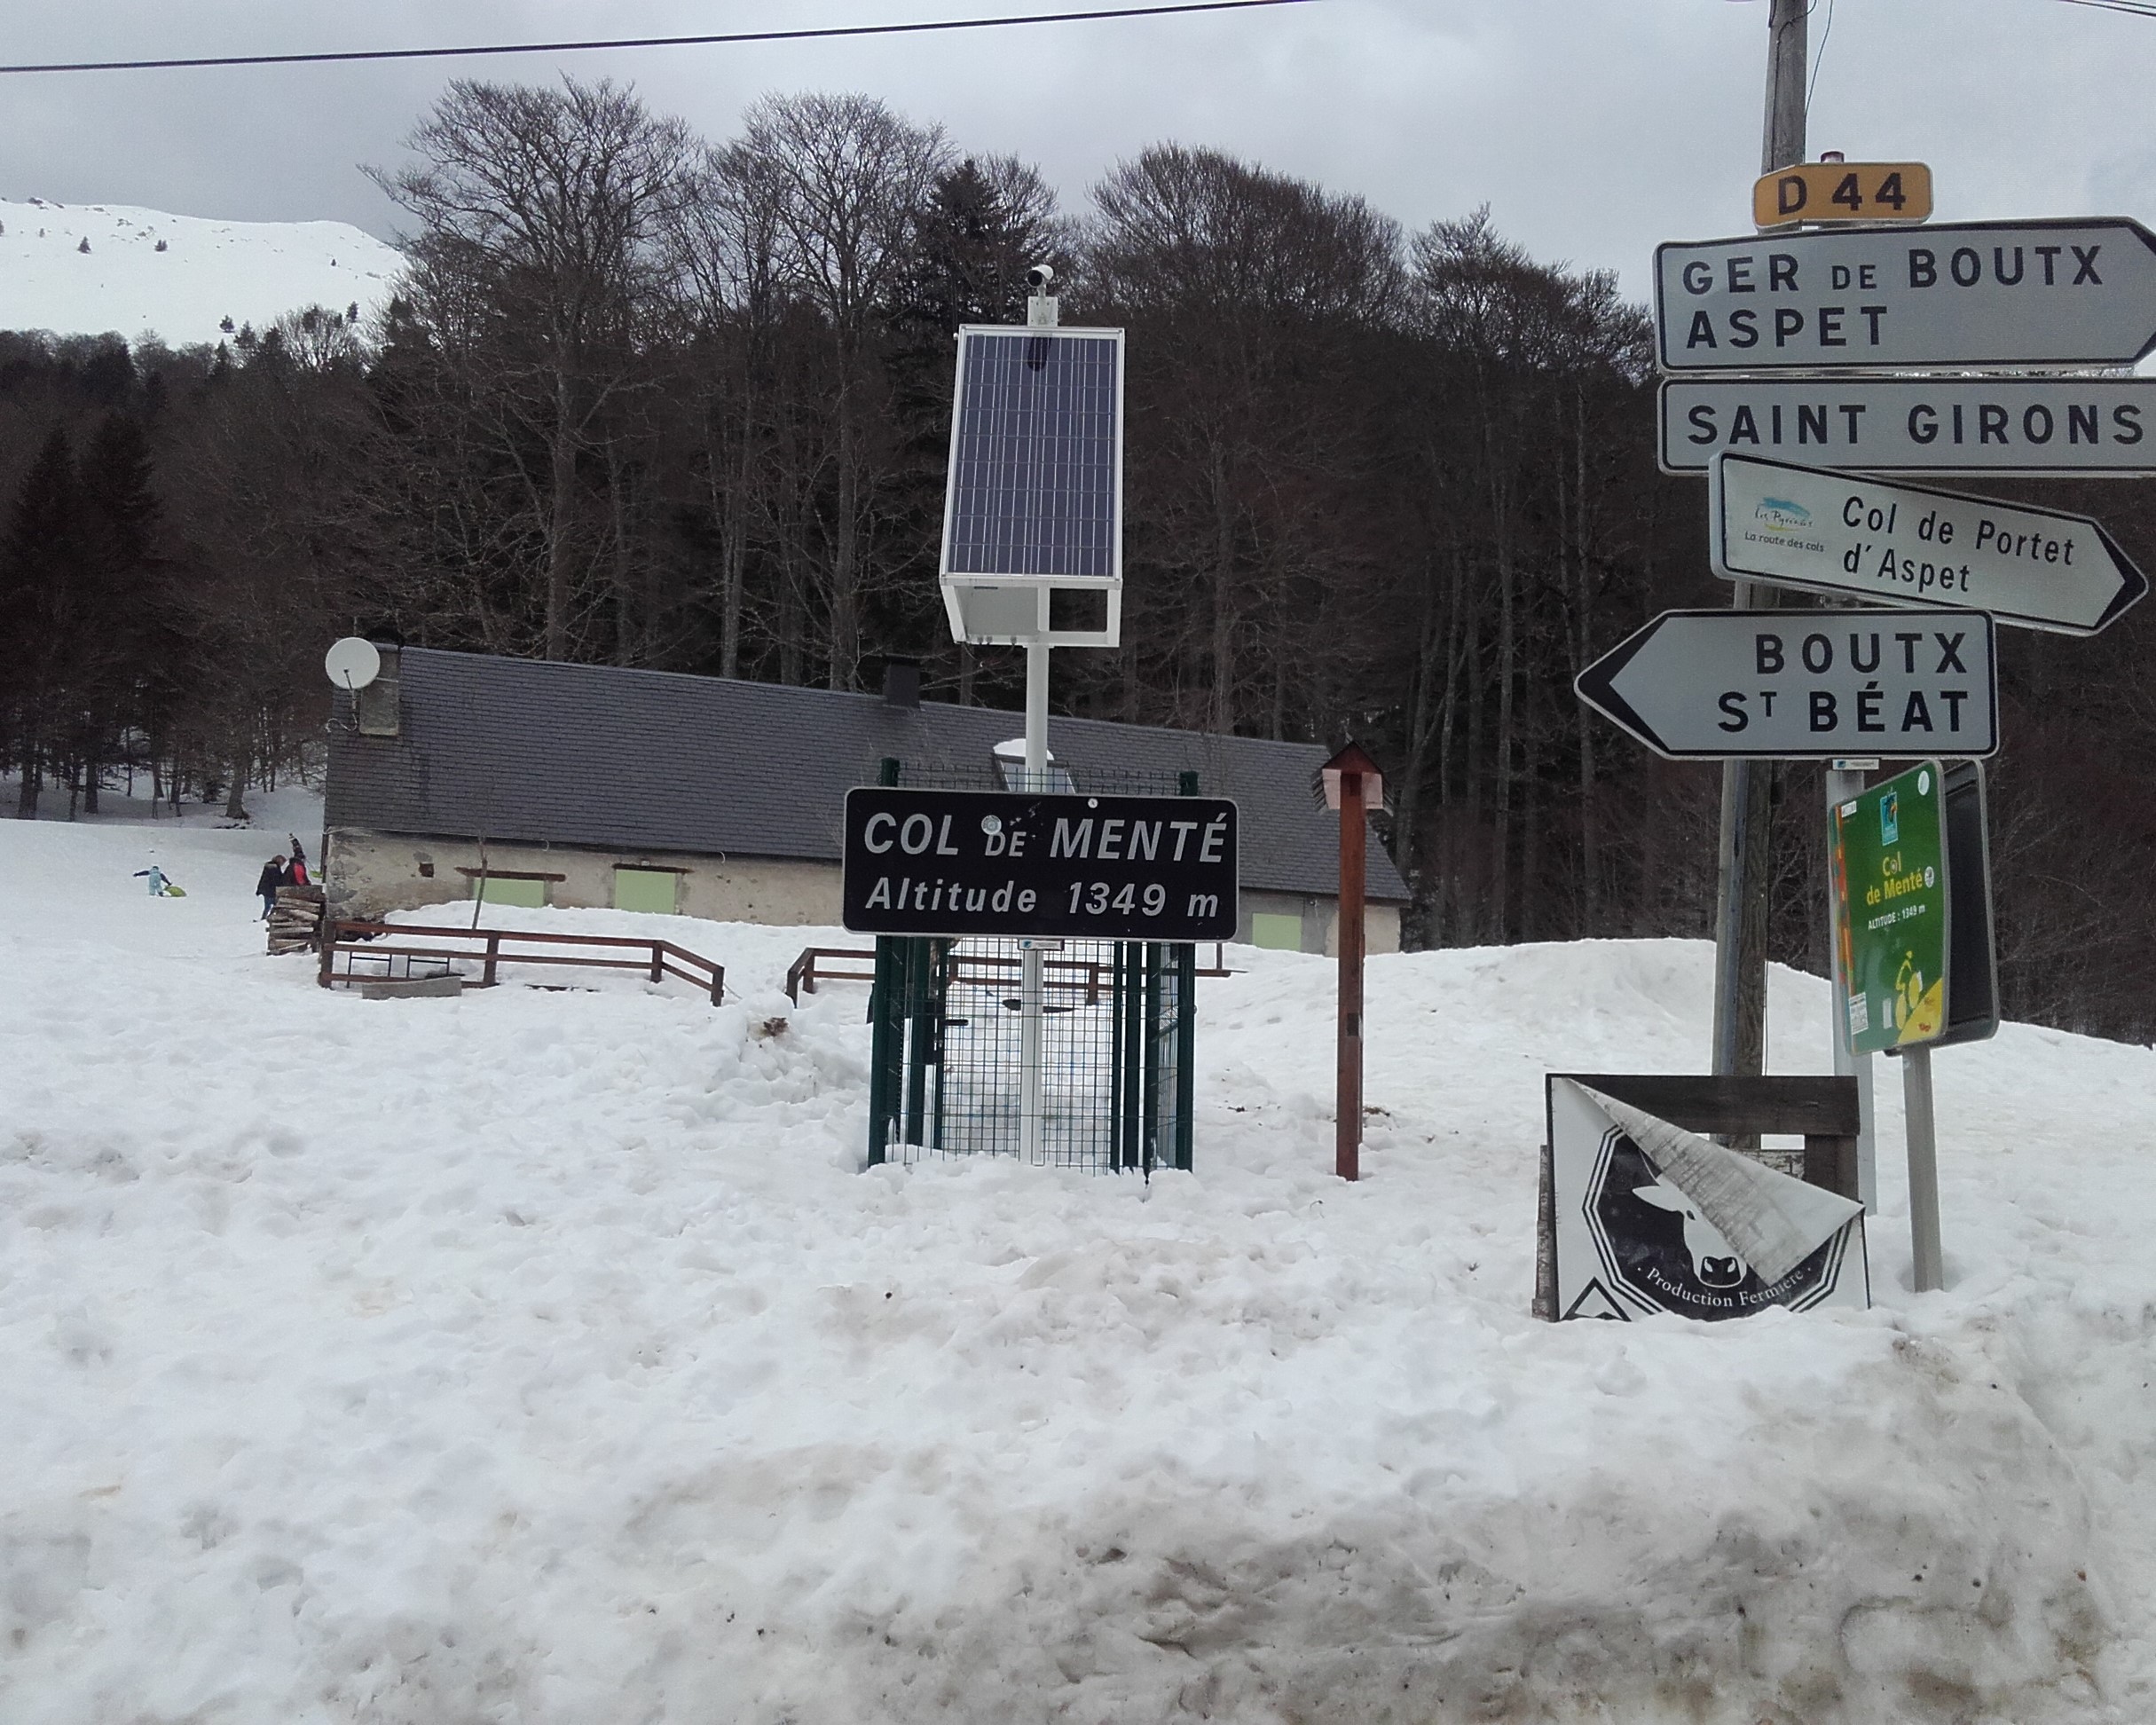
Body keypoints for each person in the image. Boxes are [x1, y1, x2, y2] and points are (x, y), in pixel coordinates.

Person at [256, 855, 287, 921]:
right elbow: (277, 880)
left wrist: (259, 889)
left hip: (266, 890)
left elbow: (263, 878)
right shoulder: (275, 868)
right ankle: (268, 917)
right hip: (272, 890)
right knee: (275, 905)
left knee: (267, 906)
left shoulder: (268, 867)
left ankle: (264, 917)